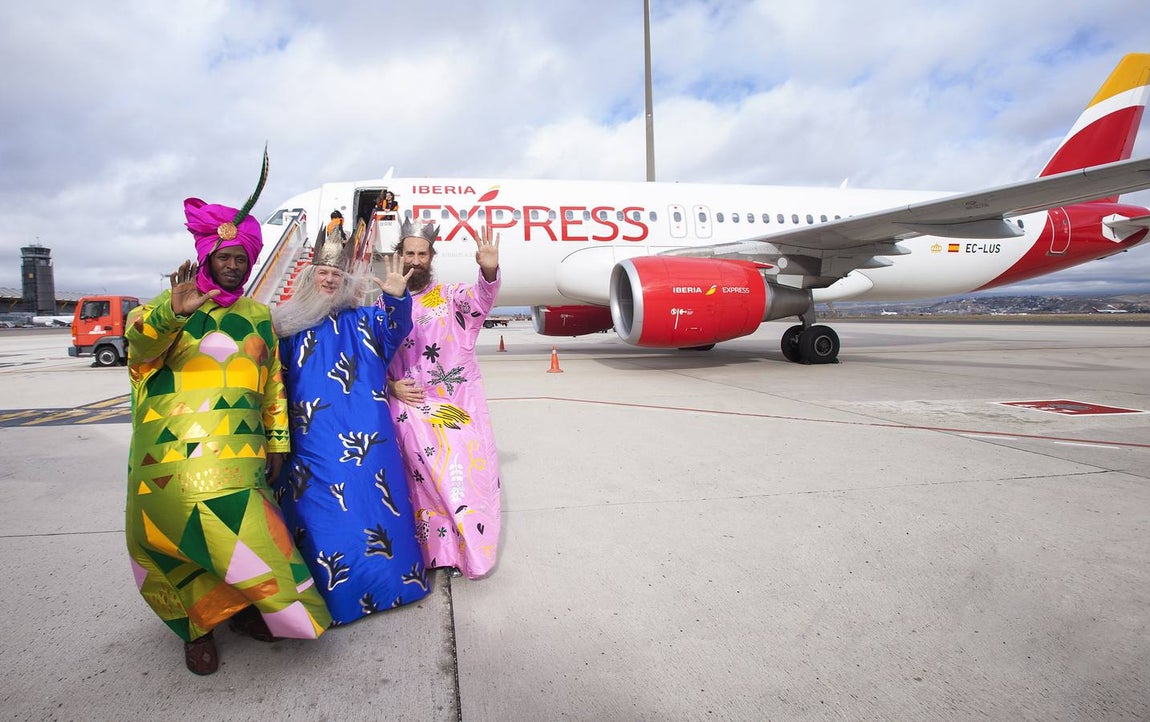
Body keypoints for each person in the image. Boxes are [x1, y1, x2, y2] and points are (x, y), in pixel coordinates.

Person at [124, 150, 331, 676]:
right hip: (169, 463)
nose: (235, 265)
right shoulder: (168, 305)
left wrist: (278, 442)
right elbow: (139, 352)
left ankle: (247, 612)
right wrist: (174, 311)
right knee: (176, 546)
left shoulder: (258, 315)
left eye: (242, 258)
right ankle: (196, 631)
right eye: (226, 257)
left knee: (256, 544)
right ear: (206, 257)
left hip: (240, 459)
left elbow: (271, 387)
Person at [270, 231, 430, 624]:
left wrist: (395, 298)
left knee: (375, 507)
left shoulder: (364, 320)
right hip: (313, 440)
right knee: (322, 518)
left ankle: (394, 587)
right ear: (309, 277)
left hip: (369, 433)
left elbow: (396, 328)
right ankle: (333, 603)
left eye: (335, 274)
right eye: (322, 272)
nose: (329, 279)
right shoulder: (286, 325)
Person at [385, 220, 503, 579]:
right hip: (407, 410)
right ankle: (432, 553)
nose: (416, 260)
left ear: (431, 257)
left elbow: (483, 298)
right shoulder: (383, 302)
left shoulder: (452, 297)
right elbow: (369, 355)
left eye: (423, 254)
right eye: (410, 254)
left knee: (460, 481)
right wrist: (390, 387)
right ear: (399, 256)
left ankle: (465, 552)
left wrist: (488, 269)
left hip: (455, 407)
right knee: (418, 487)